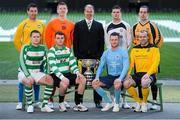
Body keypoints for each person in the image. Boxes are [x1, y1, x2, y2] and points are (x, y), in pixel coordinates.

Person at [13, 3, 45, 110]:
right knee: (23, 79)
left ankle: (36, 101)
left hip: (38, 57)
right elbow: (16, 40)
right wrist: (23, 52)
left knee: (37, 79)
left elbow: (43, 41)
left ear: (37, 12)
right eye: (31, 11)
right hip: (26, 58)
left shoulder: (41, 24)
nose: (33, 13)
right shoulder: (23, 24)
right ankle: (20, 102)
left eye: (35, 11)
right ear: (28, 11)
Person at [132, 5, 164, 110]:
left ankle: (154, 101)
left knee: (152, 77)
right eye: (141, 12)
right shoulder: (135, 26)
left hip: (151, 55)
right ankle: (141, 101)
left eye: (145, 12)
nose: (143, 14)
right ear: (138, 14)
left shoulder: (152, 25)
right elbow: (134, 41)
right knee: (139, 76)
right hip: (140, 57)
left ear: (148, 14)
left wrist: (152, 50)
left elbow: (159, 39)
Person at [47, 31, 88, 112]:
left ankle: (78, 104)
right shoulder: (51, 51)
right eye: (58, 38)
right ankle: (61, 103)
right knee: (64, 83)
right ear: (55, 39)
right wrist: (62, 77)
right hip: (55, 74)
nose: (60, 40)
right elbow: (54, 67)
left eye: (62, 38)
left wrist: (77, 73)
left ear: (64, 39)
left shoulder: (68, 50)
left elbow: (73, 65)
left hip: (67, 73)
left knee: (82, 79)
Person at [73, 4, 104, 108]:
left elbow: (101, 43)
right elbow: (75, 42)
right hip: (82, 58)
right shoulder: (78, 25)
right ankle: (78, 101)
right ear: (84, 12)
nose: (89, 13)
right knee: (80, 80)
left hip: (95, 58)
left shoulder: (99, 25)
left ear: (93, 12)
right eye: (87, 11)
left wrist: (98, 56)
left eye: (91, 11)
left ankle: (98, 101)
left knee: (96, 79)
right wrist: (78, 56)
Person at [45, 1, 74, 108]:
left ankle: (63, 99)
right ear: (57, 10)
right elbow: (47, 38)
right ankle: (50, 99)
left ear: (67, 10)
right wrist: (53, 51)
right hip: (55, 55)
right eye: (60, 8)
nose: (62, 10)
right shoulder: (52, 23)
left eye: (64, 8)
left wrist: (68, 52)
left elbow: (71, 40)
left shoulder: (71, 24)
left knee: (65, 77)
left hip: (66, 55)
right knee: (53, 77)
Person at [123, 30, 160, 112]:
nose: (142, 38)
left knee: (144, 82)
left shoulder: (154, 48)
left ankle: (144, 103)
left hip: (150, 74)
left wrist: (148, 74)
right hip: (138, 74)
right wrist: (128, 74)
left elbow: (155, 63)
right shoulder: (134, 49)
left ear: (147, 37)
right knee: (126, 83)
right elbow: (131, 64)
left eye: (144, 36)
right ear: (138, 38)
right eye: (140, 37)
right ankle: (138, 102)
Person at [92, 32, 129, 112]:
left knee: (117, 83)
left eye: (115, 40)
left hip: (120, 76)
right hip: (110, 76)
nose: (114, 41)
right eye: (112, 40)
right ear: (110, 40)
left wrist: (120, 78)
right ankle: (109, 102)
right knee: (94, 83)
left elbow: (126, 67)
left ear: (118, 40)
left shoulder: (123, 52)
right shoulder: (106, 53)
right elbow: (101, 66)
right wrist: (97, 77)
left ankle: (116, 104)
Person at [19, 30, 54, 113]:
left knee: (50, 80)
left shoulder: (43, 48)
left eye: (38, 37)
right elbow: (21, 62)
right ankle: (30, 104)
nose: (36, 38)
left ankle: (44, 105)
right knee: (29, 81)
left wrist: (47, 74)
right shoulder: (25, 47)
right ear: (30, 38)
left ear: (40, 38)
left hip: (36, 72)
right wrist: (27, 75)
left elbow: (46, 63)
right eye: (34, 37)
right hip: (24, 72)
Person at [104, 5, 132, 109]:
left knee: (124, 79)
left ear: (120, 13)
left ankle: (124, 101)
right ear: (111, 13)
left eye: (118, 12)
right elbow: (107, 42)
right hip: (111, 58)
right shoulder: (107, 26)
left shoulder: (126, 25)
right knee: (112, 79)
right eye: (114, 12)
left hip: (123, 58)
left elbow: (129, 42)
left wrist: (122, 54)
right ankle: (113, 100)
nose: (116, 14)